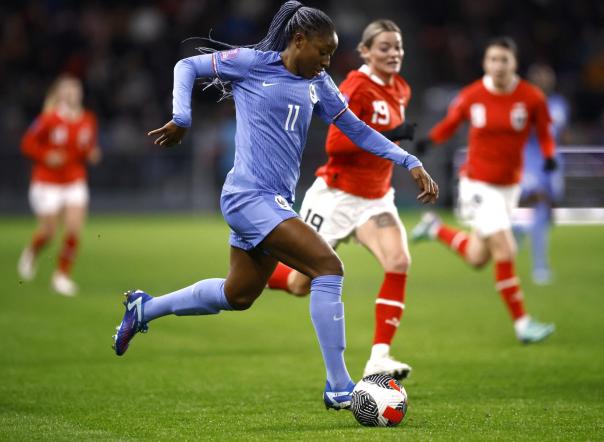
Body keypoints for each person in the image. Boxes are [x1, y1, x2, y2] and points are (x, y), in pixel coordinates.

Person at [111, 1, 438, 411]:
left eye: (331, 55)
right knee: (329, 267)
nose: (326, 61)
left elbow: (356, 128)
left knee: (238, 294)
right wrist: (182, 117)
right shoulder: (251, 63)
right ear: (298, 40)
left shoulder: (319, 83)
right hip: (247, 196)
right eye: (322, 51)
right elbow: (186, 67)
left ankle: (145, 308)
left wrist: (408, 160)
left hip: (276, 201)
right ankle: (339, 386)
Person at [266, 19, 417, 380]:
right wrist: (392, 134)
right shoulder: (355, 86)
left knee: (398, 260)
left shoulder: (401, 88)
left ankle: (379, 357)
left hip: (375, 198)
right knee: (300, 284)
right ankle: (255, 273)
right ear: (365, 51)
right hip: (336, 195)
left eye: (397, 47)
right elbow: (335, 144)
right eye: (384, 47)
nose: (393, 53)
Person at [411, 37, 555, 344]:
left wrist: (550, 157)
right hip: (477, 183)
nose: (498, 65)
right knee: (506, 249)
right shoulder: (472, 95)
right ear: (485, 63)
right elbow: (450, 123)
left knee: (478, 257)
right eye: (493, 60)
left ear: (514, 64)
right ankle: (523, 324)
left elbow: (543, 132)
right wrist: (430, 141)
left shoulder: (531, 98)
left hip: (508, 187)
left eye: (504, 60)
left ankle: (435, 229)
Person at [18, 75, 102, 297]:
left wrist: (92, 153)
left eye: (76, 89)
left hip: (74, 179)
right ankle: (32, 251)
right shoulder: (48, 119)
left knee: (74, 228)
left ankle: (61, 277)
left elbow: (86, 147)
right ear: (60, 93)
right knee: (49, 232)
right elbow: (27, 143)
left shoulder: (88, 119)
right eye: (68, 90)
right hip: (47, 181)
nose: (73, 93)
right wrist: (46, 155)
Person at [514, 63, 569, 285]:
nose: (544, 80)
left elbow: (558, 132)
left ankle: (516, 230)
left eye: (547, 76)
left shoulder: (559, 104)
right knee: (538, 203)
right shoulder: (522, 104)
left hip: (552, 162)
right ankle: (540, 268)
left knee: (547, 215)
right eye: (539, 77)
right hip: (529, 161)